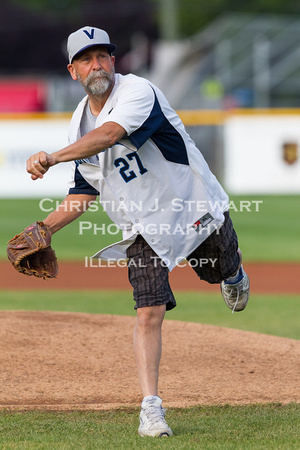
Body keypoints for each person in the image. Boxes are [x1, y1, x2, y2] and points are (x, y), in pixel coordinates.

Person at [26, 26, 250, 438]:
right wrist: (44, 228)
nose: (98, 64)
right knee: (148, 312)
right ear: (73, 71)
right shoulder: (78, 125)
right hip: (143, 229)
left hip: (190, 205)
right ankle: (152, 408)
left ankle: (233, 273)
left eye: (103, 56)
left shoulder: (138, 92)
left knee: (218, 270)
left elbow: (110, 135)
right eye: (87, 59)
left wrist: (53, 158)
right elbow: (84, 190)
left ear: (114, 61)